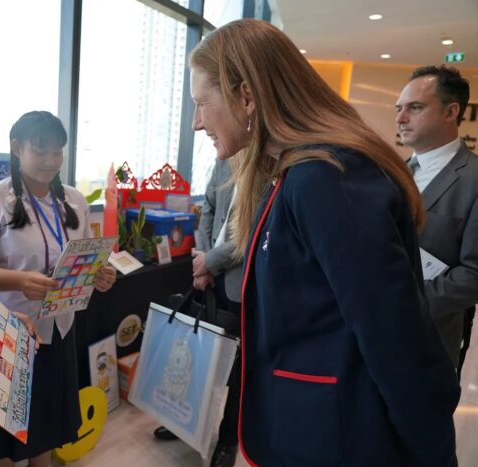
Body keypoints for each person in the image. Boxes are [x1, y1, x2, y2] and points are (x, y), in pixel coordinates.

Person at [189, 19, 460, 466]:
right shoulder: (293, 172)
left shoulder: (327, 178)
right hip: (305, 429)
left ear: (247, 96)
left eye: (202, 103)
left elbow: (397, 339)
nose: (197, 122)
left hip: (340, 439)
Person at [0, 111, 117, 467]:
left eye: (58, 151)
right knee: (6, 434)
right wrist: (19, 280)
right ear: (17, 148)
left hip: (61, 328)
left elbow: (79, 258)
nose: (51, 161)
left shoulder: (74, 201)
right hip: (11, 331)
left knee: (46, 428)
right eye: (41, 150)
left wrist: (98, 274)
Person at [153, 158, 243, 467]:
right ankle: (185, 421)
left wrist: (210, 262)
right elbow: (208, 210)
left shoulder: (270, 160)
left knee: (238, 370)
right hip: (210, 274)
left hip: (243, 285)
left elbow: (252, 231)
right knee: (196, 351)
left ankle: (228, 440)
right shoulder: (224, 160)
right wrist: (204, 260)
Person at [395, 65, 478, 376]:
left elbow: (474, 274)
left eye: (414, 108)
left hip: (427, 343)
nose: (400, 118)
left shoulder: (473, 179)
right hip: (370, 336)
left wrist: (401, 303)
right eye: (398, 109)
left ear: (451, 111)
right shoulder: (394, 172)